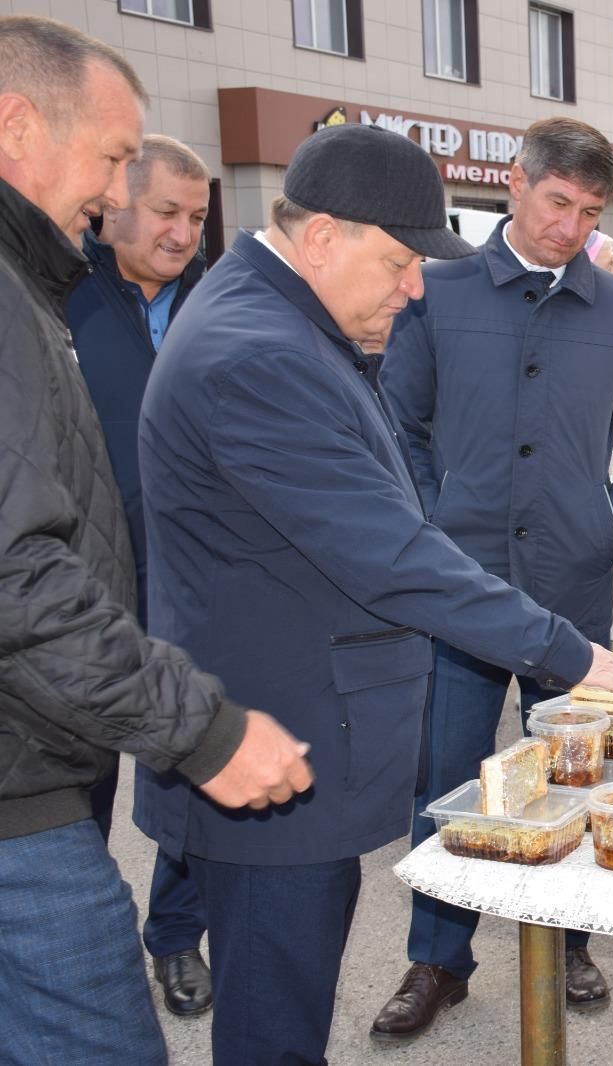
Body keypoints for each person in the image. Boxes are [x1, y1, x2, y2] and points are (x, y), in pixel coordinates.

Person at [136, 122, 613, 1065]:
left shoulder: (276, 315)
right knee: (273, 1027)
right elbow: (393, 553)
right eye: (399, 262)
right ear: (325, 236)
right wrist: (579, 655)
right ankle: (435, 960)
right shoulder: (262, 352)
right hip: (272, 748)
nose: (415, 287)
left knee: (282, 1011)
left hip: (285, 738)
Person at [0, 15, 312, 1064]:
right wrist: (207, 732)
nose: (120, 190)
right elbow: (16, 571)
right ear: (16, 126)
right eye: (116, 157)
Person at [376, 116, 613, 1037]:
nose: (570, 227)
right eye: (558, 203)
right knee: (449, 779)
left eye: (589, 212)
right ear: (515, 184)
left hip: (572, 586)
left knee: (574, 772)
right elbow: (399, 423)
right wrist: (432, 522)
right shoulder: (437, 290)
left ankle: (570, 940)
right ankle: (438, 960)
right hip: (459, 590)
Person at [64, 133, 217, 1018]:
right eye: (166, 212)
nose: (182, 233)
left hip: (191, 582)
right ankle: (76, 942)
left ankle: (174, 938)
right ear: (115, 200)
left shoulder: (219, 299)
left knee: (187, 767)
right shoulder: (56, 290)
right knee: (73, 784)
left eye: (196, 217)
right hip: (77, 588)